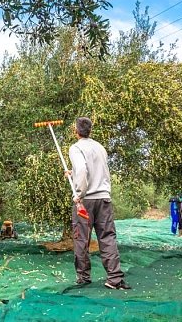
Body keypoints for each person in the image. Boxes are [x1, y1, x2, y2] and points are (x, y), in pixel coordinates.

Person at [66, 117, 131, 290]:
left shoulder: (76, 148)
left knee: (81, 238)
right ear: (90, 130)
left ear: (76, 131)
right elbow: (95, 171)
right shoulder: (100, 147)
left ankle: (84, 277)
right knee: (108, 237)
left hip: (86, 201)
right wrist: (72, 174)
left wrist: (78, 194)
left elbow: (82, 170)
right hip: (104, 198)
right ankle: (115, 279)